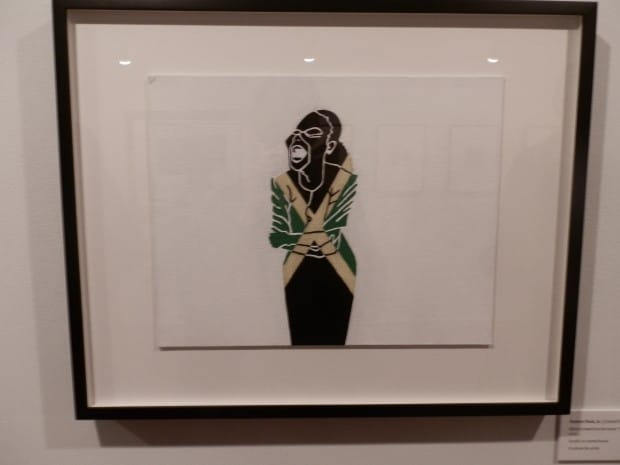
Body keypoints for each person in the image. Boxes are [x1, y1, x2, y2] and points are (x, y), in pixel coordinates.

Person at [269, 110, 357, 345]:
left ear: (330, 146)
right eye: (296, 134)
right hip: (295, 269)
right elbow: (276, 237)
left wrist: (301, 239)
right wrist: (307, 241)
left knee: (335, 340)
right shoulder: (282, 183)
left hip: (340, 269)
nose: (298, 140)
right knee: (301, 339)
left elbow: (338, 228)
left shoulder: (346, 181)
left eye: (313, 134)